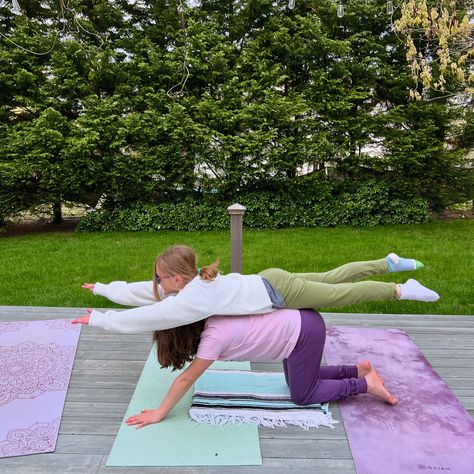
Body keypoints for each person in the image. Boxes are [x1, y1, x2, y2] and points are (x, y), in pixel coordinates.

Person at [123, 307, 397, 429]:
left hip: (303, 333)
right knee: (298, 381)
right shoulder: (209, 317)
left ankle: (364, 384)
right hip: (301, 322)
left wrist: (160, 413)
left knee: (302, 395)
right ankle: (356, 370)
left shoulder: (213, 339)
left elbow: (186, 379)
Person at [71, 244, 439, 332]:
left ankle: (403, 289)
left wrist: (100, 320)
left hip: (280, 293)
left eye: (160, 278)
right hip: (271, 278)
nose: (156, 283)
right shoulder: (198, 278)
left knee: (343, 293)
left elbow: (153, 315)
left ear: (177, 279)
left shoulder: (194, 298)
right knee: (331, 277)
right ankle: (386, 263)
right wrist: (104, 289)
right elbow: (144, 293)